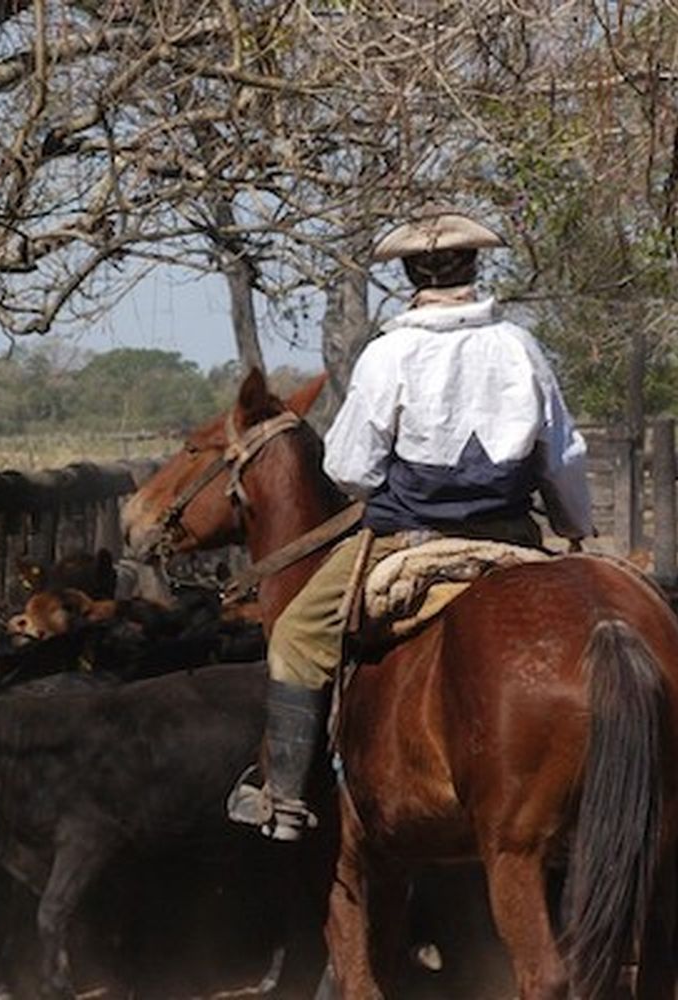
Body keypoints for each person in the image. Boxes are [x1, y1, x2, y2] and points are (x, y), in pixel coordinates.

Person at [227, 206, 595, 841]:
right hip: (511, 537)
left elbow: (347, 467)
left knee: (294, 637)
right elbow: (562, 457)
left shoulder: (389, 354)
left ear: (409, 276)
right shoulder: (519, 346)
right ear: (474, 267)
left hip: (409, 540)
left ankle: (284, 797)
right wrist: (573, 529)